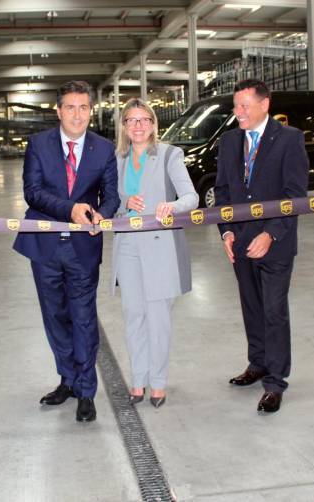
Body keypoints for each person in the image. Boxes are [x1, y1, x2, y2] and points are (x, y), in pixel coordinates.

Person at [13, 80, 119, 422]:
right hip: (44, 247)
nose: (78, 115)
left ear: (91, 110)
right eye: (70, 107)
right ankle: (68, 379)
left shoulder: (103, 149)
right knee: (55, 317)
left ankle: (86, 391)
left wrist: (104, 213)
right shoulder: (38, 144)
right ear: (58, 110)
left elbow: (111, 195)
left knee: (84, 318)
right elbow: (33, 192)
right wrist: (70, 209)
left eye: (84, 107)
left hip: (83, 248)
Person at [214, 79, 309, 414]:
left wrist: (270, 234)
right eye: (235, 107)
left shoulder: (289, 139)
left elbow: (295, 196)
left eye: (244, 106)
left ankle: (276, 382)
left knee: (273, 311)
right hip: (240, 243)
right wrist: (226, 233)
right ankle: (258, 363)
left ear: (264, 104)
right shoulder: (228, 142)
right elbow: (222, 193)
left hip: (275, 244)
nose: (237, 113)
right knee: (252, 307)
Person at [110, 98, 198, 408]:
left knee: (157, 318)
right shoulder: (116, 159)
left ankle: (158, 383)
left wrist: (171, 206)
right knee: (134, 315)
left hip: (160, 247)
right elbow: (111, 203)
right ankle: (138, 381)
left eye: (144, 119)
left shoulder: (169, 155)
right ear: (124, 126)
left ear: (153, 124)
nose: (138, 126)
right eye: (131, 120)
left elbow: (191, 196)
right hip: (128, 246)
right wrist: (124, 205)